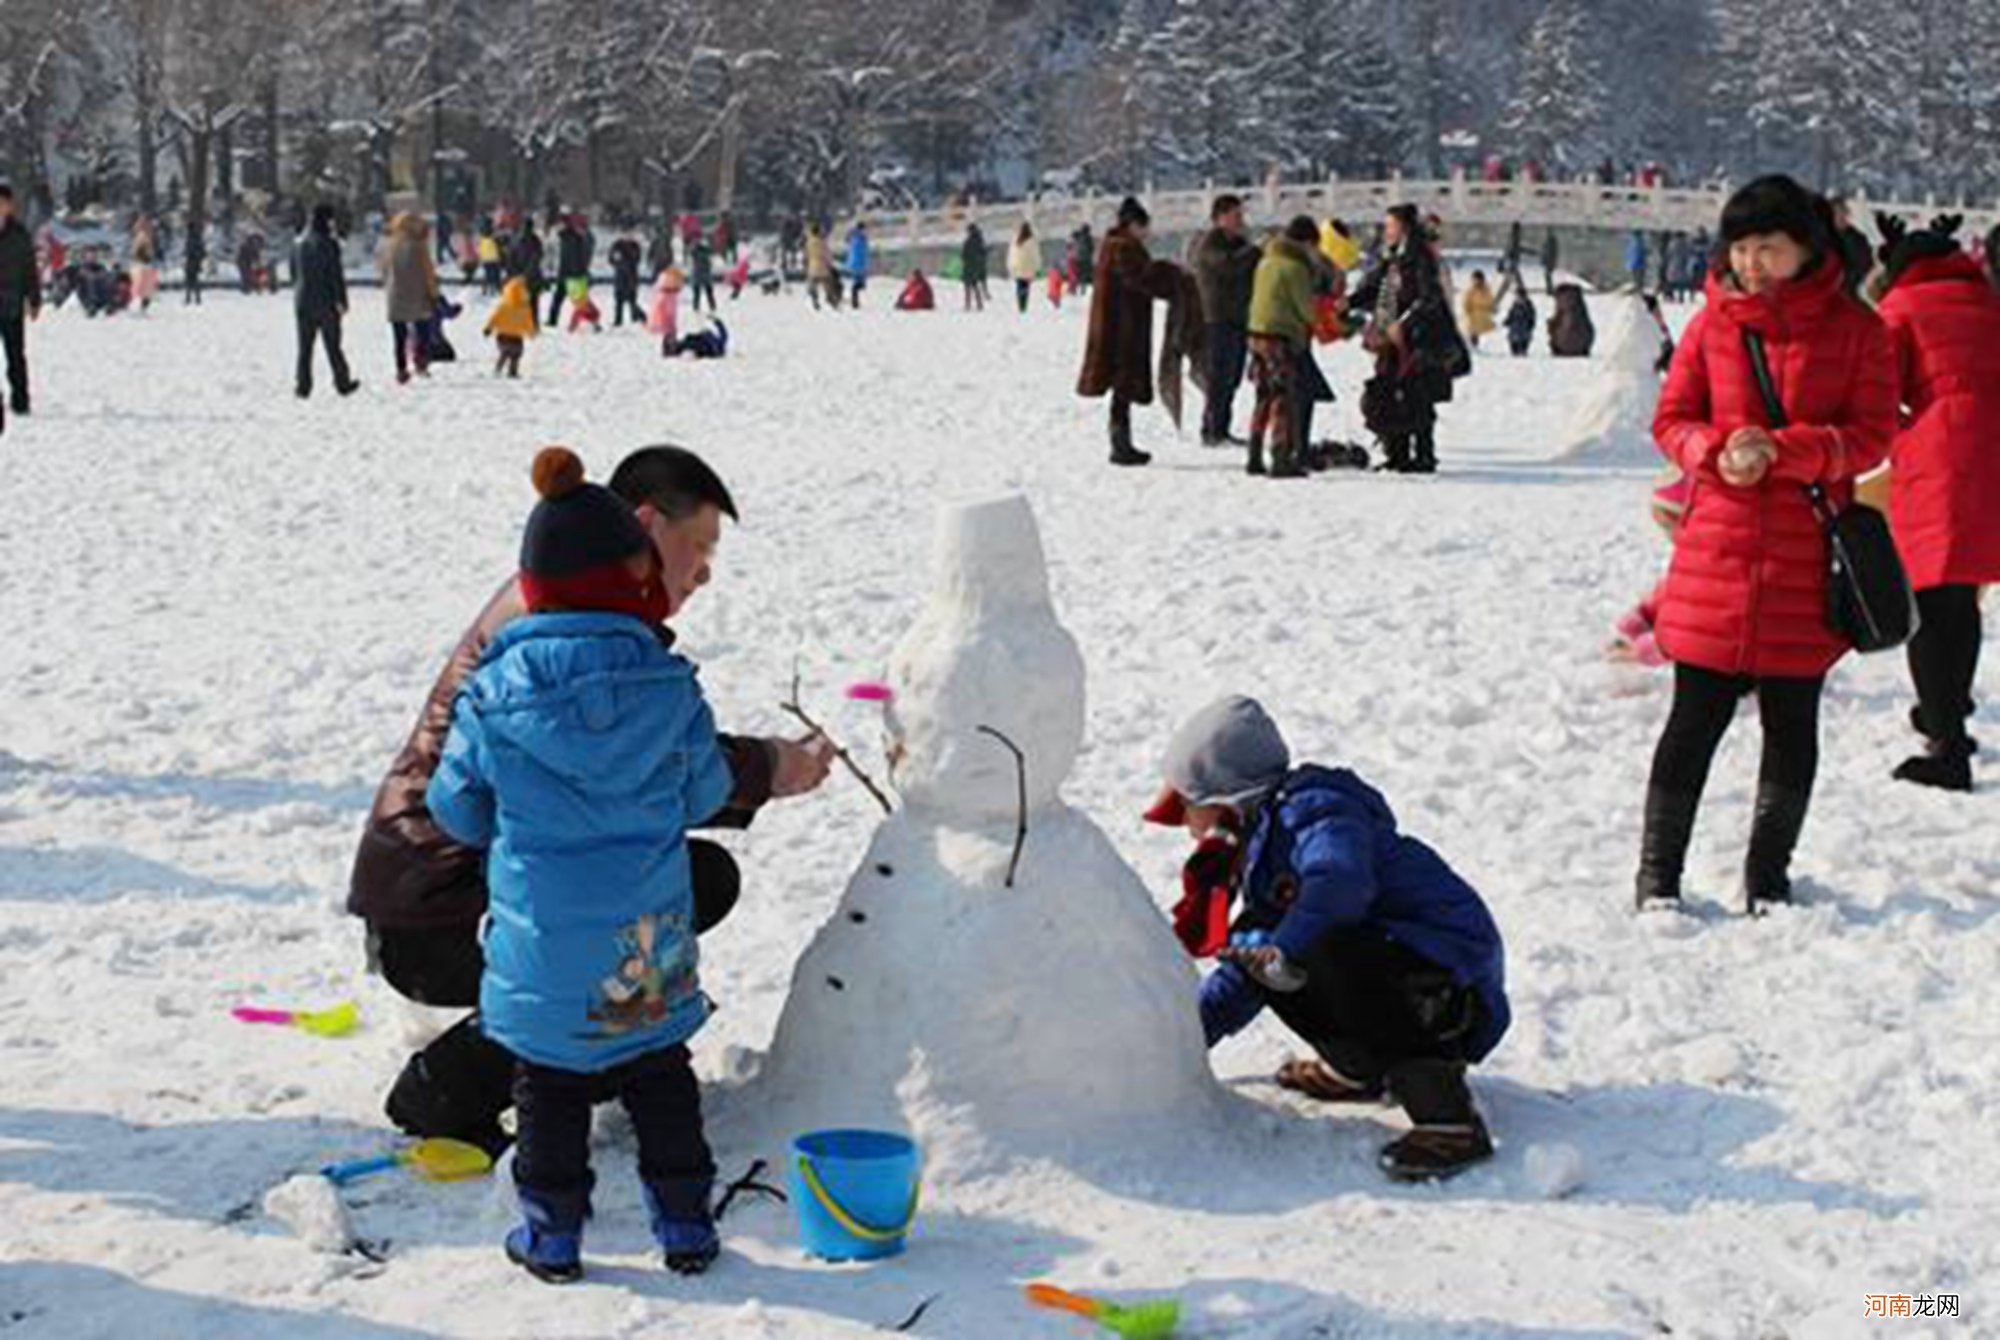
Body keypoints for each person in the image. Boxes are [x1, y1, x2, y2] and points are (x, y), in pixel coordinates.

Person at [349, 445, 832, 1162]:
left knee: (652, 889)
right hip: (438, 911)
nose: (704, 572)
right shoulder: (550, 638)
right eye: (697, 546)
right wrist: (765, 766)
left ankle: (601, 1048)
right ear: (643, 527)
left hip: (450, 889)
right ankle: (457, 1081)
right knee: (667, 893)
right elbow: (641, 771)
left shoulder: (565, 616)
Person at [425, 447, 729, 1282]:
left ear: (532, 589)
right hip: (645, 937)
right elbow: (706, 792)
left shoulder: (494, 692)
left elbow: (456, 808)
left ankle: (553, 1235)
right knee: (661, 1076)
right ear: (635, 578)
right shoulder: (669, 685)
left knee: (549, 1089)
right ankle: (687, 1225)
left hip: (542, 942)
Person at [1634, 175, 1896, 915]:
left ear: (1804, 248)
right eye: (1741, 248)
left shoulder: (1857, 330)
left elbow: (1874, 434)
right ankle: (1657, 877)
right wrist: (1714, 452)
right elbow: (1672, 418)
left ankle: (1769, 876)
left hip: (1806, 556)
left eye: (1767, 249)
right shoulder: (1715, 325)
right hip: (1717, 545)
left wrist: (1789, 450)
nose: (1751, 263)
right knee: (1693, 721)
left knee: (1792, 724)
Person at [1147, 696, 1509, 1183]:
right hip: (1405, 978)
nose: (1186, 824)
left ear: (1223, 801)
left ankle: (1450, 1120)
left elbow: (1340, 884)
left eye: (1188, 806)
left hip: (1450, 992)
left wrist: (1281, 950)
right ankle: (1359, 1068)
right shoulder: (1262, 854)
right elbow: (1247, 970)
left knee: (1317, 941)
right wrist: (1178, 1043)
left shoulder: (1317, 810)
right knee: (1262, 946)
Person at [1872, 214, 2000, 792]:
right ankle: (1949, 712)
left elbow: (1878, 396)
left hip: (1939, 456)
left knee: (1928, 601)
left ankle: (1946, 745)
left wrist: (1899, 437)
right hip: (1992, 456)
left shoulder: (1901, 311)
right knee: (1963, 598)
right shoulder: (1988, 303)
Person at [1347, 204, 1464, 474]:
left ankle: (1423, 455)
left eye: (1390, 226)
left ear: (1404, 228)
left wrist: (1405, 323)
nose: (1386, 231)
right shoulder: (1394, 258)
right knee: (1389, 391)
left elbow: (1430, 298)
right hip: (1393, 335)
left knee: (1417, 395)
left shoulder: (1420, 257)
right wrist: (1350, 302)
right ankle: (1396, 452)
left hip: (1419, 337)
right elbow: (1375, 285)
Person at [1076, 196, 1183, 468]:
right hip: (1122, 327)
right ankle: (1120, 444)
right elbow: (1139, 278)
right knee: (1122, 384)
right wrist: (1170, 275)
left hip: (1118, 325)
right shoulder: (1123, 248)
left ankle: (1122, 442)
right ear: (1134, 225)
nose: (1147, 233)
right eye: (1144, 227)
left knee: (1121, 386)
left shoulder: (1113, 245)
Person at [1245, 216, 1323, 478]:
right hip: (1281, 337)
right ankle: (1280, 457)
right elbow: (1306, 310)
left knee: (1263, 396)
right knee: (1283, 397)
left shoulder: (1265, 261)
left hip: (1256, 334)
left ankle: (1254, 455)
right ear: (1306, 243)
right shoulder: (1295, 268)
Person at [1190, 194, 1260, 448]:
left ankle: (1222, 427)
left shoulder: (1239, 244)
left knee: (1232, 376)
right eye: (1235, 215)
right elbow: (1227, 267)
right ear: (1219, 218)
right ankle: (1212, 430)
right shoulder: (1209, 244)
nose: (1240, 220)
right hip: (1216, 318)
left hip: (1239, 318)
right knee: (1218, 376)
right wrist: (1251, 253)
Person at [293, 204, 360, 400]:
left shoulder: (298, 243)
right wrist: (342, 300)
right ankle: (342, 382)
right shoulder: (329, 244)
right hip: (326, 302)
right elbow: (335, 275)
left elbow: (293, 273)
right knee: (333, 345)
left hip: (302, 301)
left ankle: (302, 385)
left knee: (305, 347)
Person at [0, 183, 41, 433]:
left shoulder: (19, 234)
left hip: (11, 303)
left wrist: (34, 299)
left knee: (15, 355)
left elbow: (30, 269)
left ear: (9, 206)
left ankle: (20, 401)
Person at [381, 212, 440, 384]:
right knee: (423, 330)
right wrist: (434, 293)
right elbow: (428, 272)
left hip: (396, 295)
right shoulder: (419, 246)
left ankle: (401, 369)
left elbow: (383, 270)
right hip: (418, 294)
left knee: (399, 336)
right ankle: (421, 363)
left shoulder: (388, 246)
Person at [484, 275, 538, 378]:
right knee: (516, 355)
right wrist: (531, 333)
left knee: (505, 352)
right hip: (516, 337)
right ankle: (513, 371)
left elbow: (494, 318)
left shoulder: (504, 306)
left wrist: (488, 328)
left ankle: (498, 368)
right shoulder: (525, 308)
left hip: (502, 336)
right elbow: (528, 323)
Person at [548, 213, 592, 328]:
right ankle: (552, 320)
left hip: (572, 274)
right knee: (559, 298)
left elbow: (578, 257)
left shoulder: (572, 238)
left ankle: (591, 320)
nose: (558, 226)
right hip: (566, 273)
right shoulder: (567, 237)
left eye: (560, 224)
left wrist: (580, 272)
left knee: (579, 301)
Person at [1829, 196, 1873, 297]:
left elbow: (1864, 266)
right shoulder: (1823, 237)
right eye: (1836, 213)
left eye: (1842, 212)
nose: (1840, 216)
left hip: (1850, 292)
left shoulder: (1857, 239)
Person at [607, 229, 644, 328]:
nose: (628, 236)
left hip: (631, 276)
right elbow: (611, 259)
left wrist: (624, 262)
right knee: (618, 300)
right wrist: (618, 262)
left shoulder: (634, 245)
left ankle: (637, 317)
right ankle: (618, 320)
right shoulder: (617, 245)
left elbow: (637, 259)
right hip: (620, 276)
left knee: (632, 299)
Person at [509, 218, 546, 313]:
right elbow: (511, 257)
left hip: (530, 276)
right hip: (526, 276)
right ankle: (528, 323)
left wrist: (520, 272)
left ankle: (531, 324)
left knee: (531, 302)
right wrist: (515, 272)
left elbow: (538, 256)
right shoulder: (518, 240)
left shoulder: (534, 240)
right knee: (527, 303)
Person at [1547, 284, 1595, 357]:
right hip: (1581, 347)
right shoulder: (1579, 305)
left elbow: (1565, 325)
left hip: (1564, 347)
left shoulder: (1564, 304)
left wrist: (1552, 326)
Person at [648, 266, 684, 353]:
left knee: (669, 334)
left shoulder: (667, 293)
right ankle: (669, 349)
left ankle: (670, 348)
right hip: (666, 320)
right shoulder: (666, 294)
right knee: (669, 334)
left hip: (667, 319)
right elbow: (665, 309)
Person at [1008, 221, 1041, 314]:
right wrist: (1037, 267)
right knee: (1026, 287)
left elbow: (1011, 254)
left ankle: (1020, 304)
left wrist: (1011, 266)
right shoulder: (1032, 240)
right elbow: (1036, 255)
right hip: (1028, 267)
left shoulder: (1016, 240)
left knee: (1019, 286)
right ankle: (1024, 305)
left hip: (1018, 267)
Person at [130, 216, 161, 314]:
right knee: (142, 285)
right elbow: (137, 251)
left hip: (146, 262)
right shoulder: (142, 236)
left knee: (146, 286)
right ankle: (140, 305)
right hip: (142, 263)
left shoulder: (147, 235)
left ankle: (143, 305)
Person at [1460, 270, 1497, 351]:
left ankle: (1482, 347)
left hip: (1484, 316)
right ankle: (1474, 346)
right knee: (1473, 332)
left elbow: (1490, 301)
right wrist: (1467, 312)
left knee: (1484, 333)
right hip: (1473, 316)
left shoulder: (1487, 290)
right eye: (1475, 280)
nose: (1477, 282)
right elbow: (1466, 303)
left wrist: (1492, 308)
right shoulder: (1470, 291)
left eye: (1478, 280)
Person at [804, 224, 838, 311]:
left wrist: (806, 264)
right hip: (822, 266)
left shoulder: (809, 243)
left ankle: (815, 300)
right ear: (818, 232)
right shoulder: (822, 242)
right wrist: (830, 263)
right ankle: (830, 299)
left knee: (813, 284)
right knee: (828, 282)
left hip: (812, 266)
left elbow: (806, 255)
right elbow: (827, 254)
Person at [960, 223, 989, 311]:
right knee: (975, 285)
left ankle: (967, 304)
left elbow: (963, 255)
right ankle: (979, 304)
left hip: (969, 266)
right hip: (977, 267)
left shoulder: (968, 242)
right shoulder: (980, 240)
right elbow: (984, 253)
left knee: (967, 286)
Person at [843, 222, 870, 309]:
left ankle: (854, 301)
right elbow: (860, 252)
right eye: (864, 229)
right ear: (861, 229)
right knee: (859, 283)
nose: (866, 231)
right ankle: (854, 302)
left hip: (857, 263)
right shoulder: (859, 238)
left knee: (860, 283)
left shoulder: (857, 237)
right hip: (858, 263)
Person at [688, 235, 717, 314]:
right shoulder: (704, 252)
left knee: (699, 293)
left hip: (699, 275)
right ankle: (711, 306)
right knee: (707, 292)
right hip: (703, 275)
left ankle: (697, 307)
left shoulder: (698, 252)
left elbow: (692, 251)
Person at [1503, 289, 1536, 357]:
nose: (1519, 298)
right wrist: (1508, 321)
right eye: (1517, 296)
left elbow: (1532, 315)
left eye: (1520, 296)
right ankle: (1515, 350)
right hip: (1515, 327)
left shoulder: (1528, 305)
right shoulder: (1515, 305)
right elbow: (1511, 314)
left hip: (1524, 326)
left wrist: (1531, 322)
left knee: (1524, 339)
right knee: (1513, 339)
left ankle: (1523, 350)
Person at [181, 227, 206, 305]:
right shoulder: (198, 238)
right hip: (195, 262)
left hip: (191, 261)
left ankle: (189, 298)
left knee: (190, 280)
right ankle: (196, 298)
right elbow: (203, 252)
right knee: (194, 280)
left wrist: (187, 254)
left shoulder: (191, 239)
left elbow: (188, 250)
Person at [477, 225, 503, 296]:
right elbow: (499, 247)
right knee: (496, 275)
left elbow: (480, 249)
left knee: (487, 275)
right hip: (494, 259)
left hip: (485, 259)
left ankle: (484, 289)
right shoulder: (494, 239)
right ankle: (498, 288)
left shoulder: (482, 239)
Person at [1540, 229, 1560, 294]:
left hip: (1549, 262)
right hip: (1549, 262)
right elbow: (1552, 252)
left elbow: (1547, 252)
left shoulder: (1549, 243)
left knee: (1548, 276)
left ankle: (1549, 290)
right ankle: (1549, 289)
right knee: (1548, 276)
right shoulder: (1550, 243)